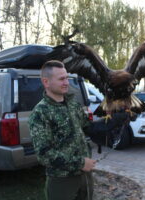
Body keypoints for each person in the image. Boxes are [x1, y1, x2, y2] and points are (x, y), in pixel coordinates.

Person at [28, 60, 127, 200]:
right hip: (62, 181)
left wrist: (115, 119)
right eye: (61, 79)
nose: (67, 82)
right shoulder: (40, 113)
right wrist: (80, 163)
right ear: (46, 82)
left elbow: (90, 128)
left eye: (67, 78)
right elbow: (44, 155)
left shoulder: (73, 105)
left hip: (84, 176)